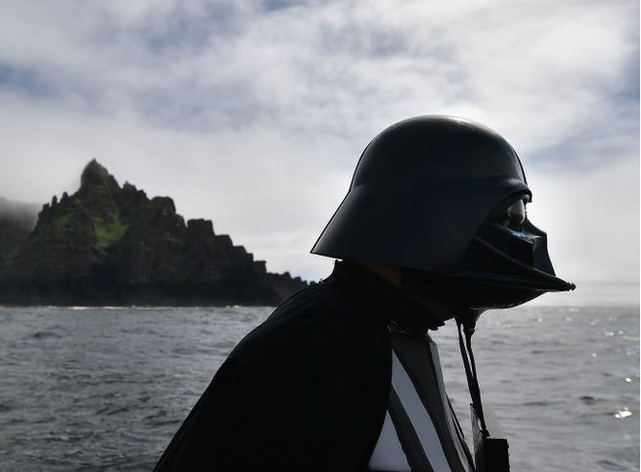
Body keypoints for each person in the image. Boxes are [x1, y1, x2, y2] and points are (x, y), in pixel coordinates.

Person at [153, 115, 574, 471]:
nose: (522, 232)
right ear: (431, 216)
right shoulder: (314, 351)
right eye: (511, 213)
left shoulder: (383, 328)